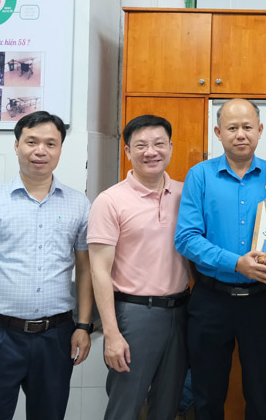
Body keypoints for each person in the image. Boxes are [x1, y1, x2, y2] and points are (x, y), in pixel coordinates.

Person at [0, 110, 93, 420]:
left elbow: (85, 269)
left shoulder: (78, 204)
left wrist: (83, 326)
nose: (40, 151)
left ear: (60, 149)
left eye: (50, 143)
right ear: (16, 145)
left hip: (56, 335)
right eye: (31, 141)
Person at [174, 99, 266, 420]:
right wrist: (237, 263)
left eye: (248, 127)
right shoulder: (200, 175)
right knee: (207, 396)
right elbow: (186, 238)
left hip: (262, 302)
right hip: (210, 301)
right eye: (232, 128)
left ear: (260, 131)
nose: (240, 134)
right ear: (218, 132)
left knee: (260, 395)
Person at [89, 115, 189, 420]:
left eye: (159, 144)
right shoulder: (110, 201)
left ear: (170, 147)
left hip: (182, 311)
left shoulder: (186, 195)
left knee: (169, 404)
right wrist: (112, 334)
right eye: (141, 145)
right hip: (135, 314)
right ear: (128, 151)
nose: (151, 152)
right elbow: (99, 271)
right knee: (126, 405)